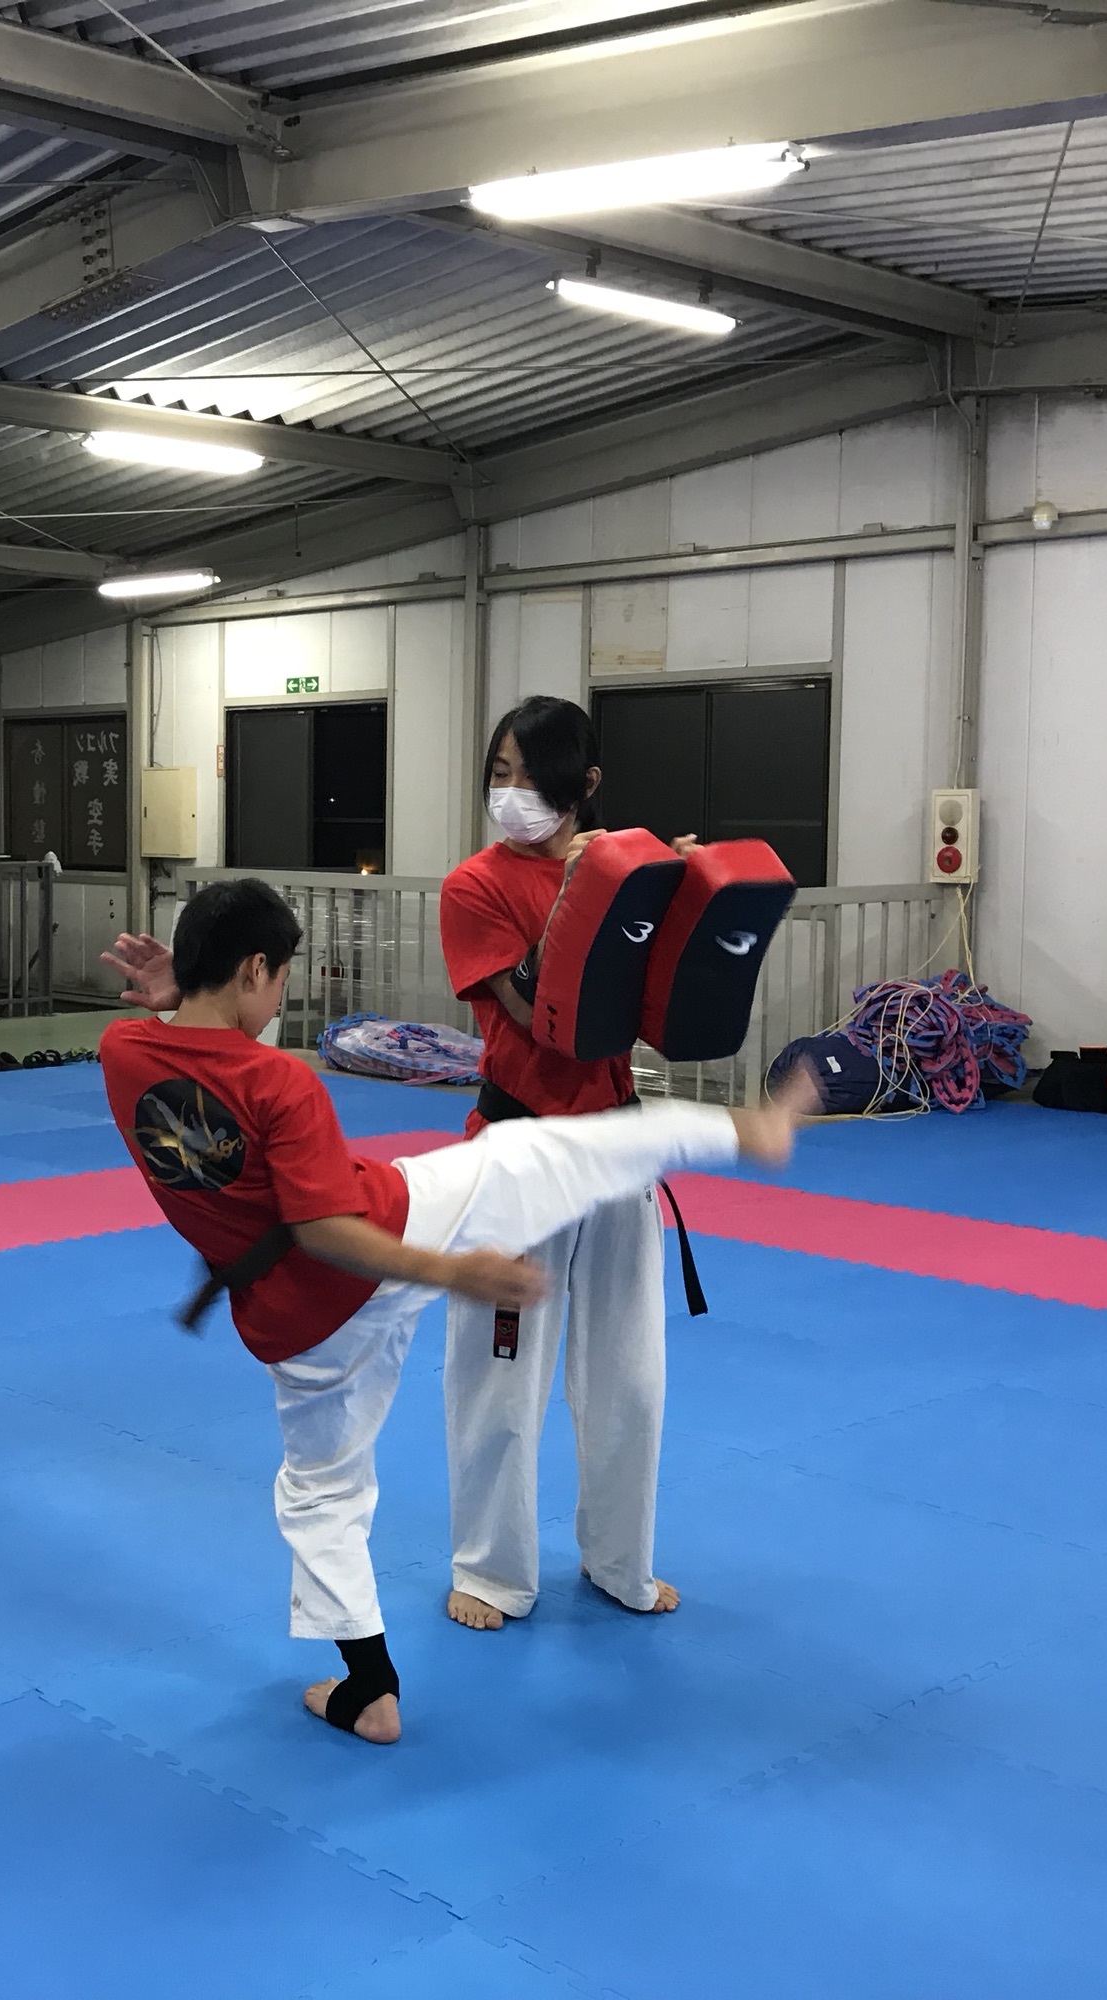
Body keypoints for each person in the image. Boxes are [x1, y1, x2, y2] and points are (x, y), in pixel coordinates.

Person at [101, 882, 810, 1745]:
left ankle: (370, 1689)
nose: (280, 999)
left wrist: (177, 1000)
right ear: (255, 969)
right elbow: (325, 1228)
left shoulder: (122, 1050)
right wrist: (456, 1274)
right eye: (280, 978)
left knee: (320, 1491)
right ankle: (743, 1130)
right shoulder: (281, 1081)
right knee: (541, 1149)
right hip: (392, 1236)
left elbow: (195, 1063)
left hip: (295, 1325)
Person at [437, 695, 701, 1634]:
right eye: (498, 773)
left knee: (631, 1377)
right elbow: (533, 1013)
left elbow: (668, 1010)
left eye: (530, 775)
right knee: (500, 1373)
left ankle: (621, 1559)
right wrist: (584, 899)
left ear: (584, 784)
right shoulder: (474, 887)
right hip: (519, 1149)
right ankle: (490, 1570)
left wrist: (678, 897)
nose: (510, 792)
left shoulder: (626, 872)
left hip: (617, 1149)